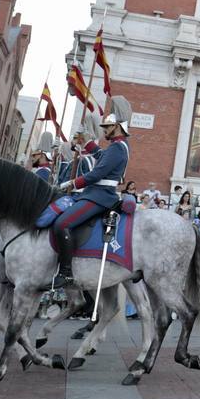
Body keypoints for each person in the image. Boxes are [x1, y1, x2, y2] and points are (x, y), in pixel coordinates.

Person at [52, 111, 131, 288]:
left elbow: (97, 173)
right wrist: (86, 141)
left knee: (62, 224)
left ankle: (66, 272)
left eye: (107, 127)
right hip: (96, 194)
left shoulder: (118, 147)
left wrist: (70, 183)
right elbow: (102, 158)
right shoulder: (119, 146)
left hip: (99, 196)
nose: (104, 131)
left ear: (117, 127)